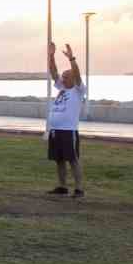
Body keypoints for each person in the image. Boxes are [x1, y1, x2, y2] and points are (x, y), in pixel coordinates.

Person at [46, 41, 86, 198]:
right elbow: (53, 72)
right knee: (59, 160)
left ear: (73, 78)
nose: (62, 79)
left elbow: (77, 73)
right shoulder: (62, 89)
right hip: (56, 131)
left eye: (66, 76)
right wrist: (51, 56)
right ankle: (62, 186)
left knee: (73, 160)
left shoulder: (78, 90)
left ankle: (79, 189)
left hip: (69, 131)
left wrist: (72, 59)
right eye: (62, 77)